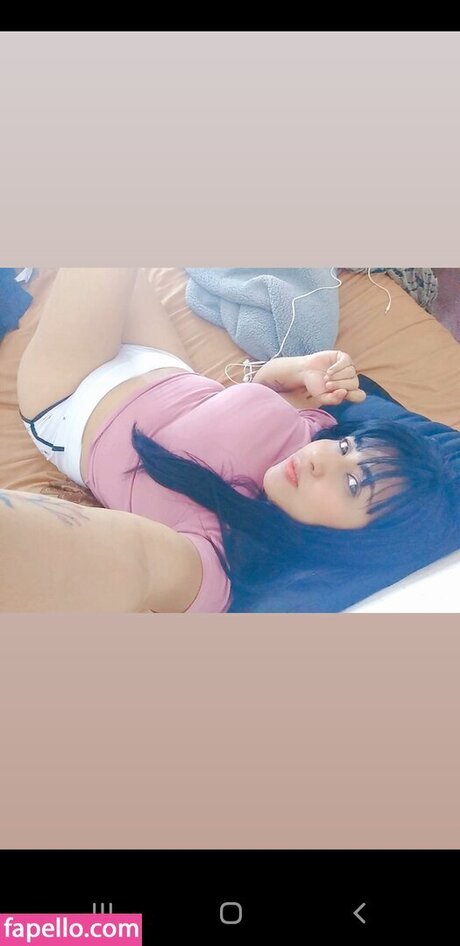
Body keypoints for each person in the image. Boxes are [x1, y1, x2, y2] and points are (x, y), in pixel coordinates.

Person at [5, 268, 454, 613]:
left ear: (358, 545)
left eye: (353, 484)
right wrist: (301, 369)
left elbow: (135, 560)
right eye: (347, 448)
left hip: (73, 395)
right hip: (165, 365)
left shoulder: (216, 562)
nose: (323, 459)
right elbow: (259, 389)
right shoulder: (313, 439)